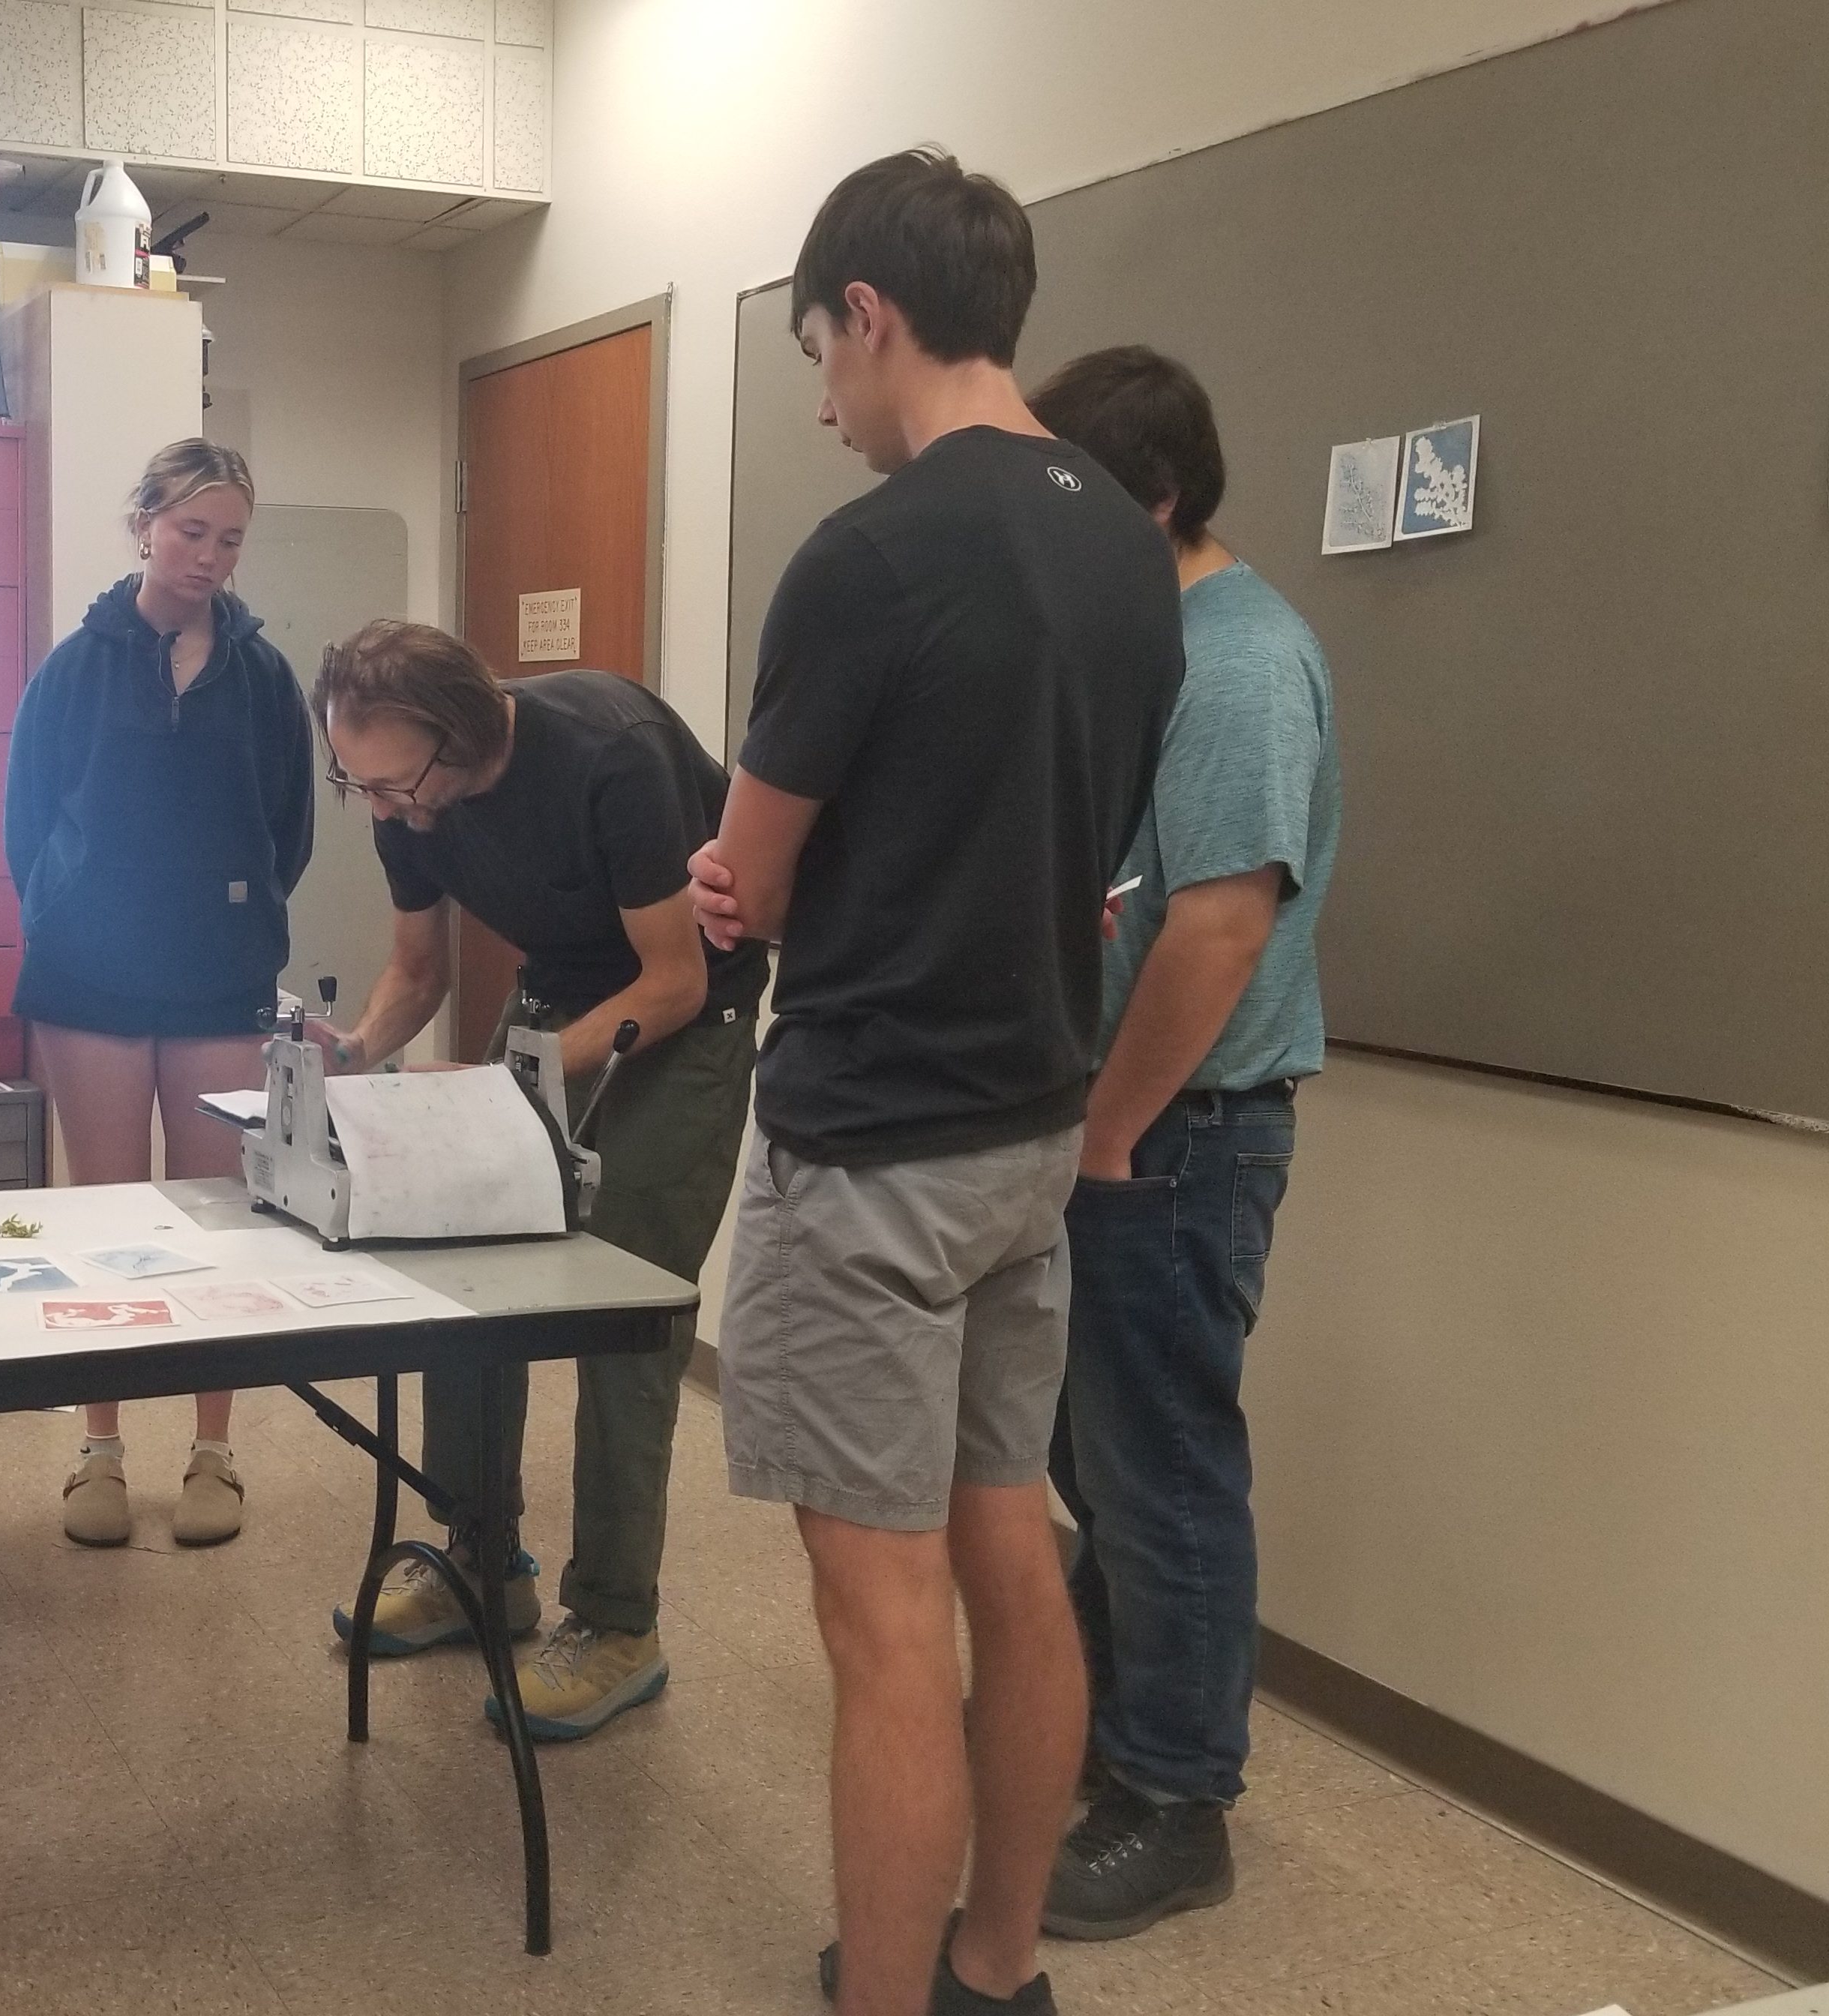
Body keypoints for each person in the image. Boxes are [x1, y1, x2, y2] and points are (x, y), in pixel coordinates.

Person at [690, 153, 1182, 2016]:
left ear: (871, 314)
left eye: (819, 354)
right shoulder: (1130, 552)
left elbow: (752, 878)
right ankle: (999, 1966)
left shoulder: (874, 555)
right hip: (1029, 1140)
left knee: (880, 1624)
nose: (822, 401)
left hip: (874, 1141)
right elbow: (1092, 841)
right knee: (1011, 1560)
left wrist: (751, 875)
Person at [306, 620, 764, 1738]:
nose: (383, 809)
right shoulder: (405, 791)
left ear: (458, 734)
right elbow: (420, 969)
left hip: (683, 1025)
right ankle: (481, 1563)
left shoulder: (609, 752)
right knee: (470, 1288)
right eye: (352, 782)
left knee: (628, 1318)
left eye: (395, 783)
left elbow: (672, 982)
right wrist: (356, 1052)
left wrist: (502, 1084)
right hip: (557, 1010)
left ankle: (616, 1624)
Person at [1023, 346, 1342, 1938]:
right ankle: (1099, 1707)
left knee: (1165, 1473)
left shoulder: (1235, 663)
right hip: (1121, 1129)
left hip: (1177, 1137)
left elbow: (1216, 934)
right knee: (1100, 1452)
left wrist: (1102, 1138)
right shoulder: (1150, 646)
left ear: (1152, 502)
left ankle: (1175, 1797)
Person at [6, 440, 313, 1549]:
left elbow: (289, 831)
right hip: (87, 977)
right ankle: (99, 1449)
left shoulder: (264, 674)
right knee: (106, 1215)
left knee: (213, 1220)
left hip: (218, 975)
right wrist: (76, 913)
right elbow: (28, 822)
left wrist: (228, 921)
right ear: (144, 524)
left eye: (230, 539)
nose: (210, 558)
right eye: (192, 532)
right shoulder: (76, 664)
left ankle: (213, 1454)